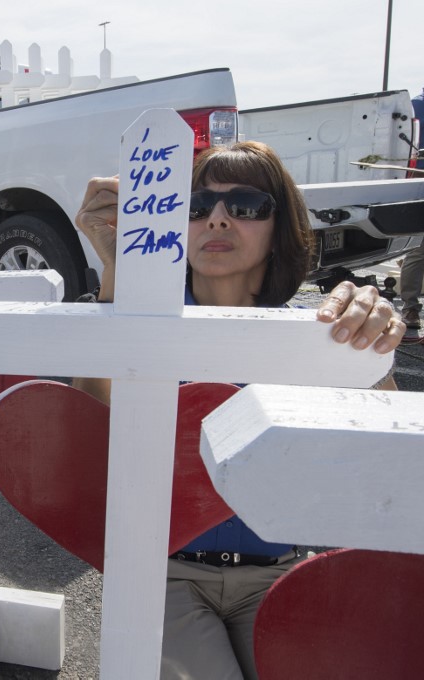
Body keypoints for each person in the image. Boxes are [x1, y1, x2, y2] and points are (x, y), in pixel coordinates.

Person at [73, 141, 404, 680]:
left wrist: (370, 340)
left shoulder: (320, 330)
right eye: (197, 207)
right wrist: (118, 273)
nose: (218, 219)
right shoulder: (143, 320)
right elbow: (87, 426)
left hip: (282, 572)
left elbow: (385, 452)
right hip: (166, 575)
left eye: (246, 206)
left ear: (282, 229)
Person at [397, 88, 424, 330]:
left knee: (417, 252)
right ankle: (411, 308)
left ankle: (411, 308)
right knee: (418, 251)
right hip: (420, 188)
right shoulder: (416, 106)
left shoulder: (414, 106)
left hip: (416, 187)